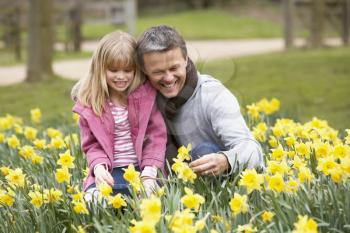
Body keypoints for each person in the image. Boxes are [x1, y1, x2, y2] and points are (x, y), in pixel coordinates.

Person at [136, 25, 264, 177]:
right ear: (144, 70)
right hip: (172, 182)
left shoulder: (213, 95)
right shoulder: (145, 100)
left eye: (174, 68)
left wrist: (225, 161)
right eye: (158, 72)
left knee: (204, 151)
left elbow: (253, 151)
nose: (168, 78)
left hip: (220, 183)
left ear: (185, 59)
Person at [72, 31, 166, 200]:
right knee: (92, 202)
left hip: (142, 170)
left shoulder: (147, 97)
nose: (121, 76)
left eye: (128, 70)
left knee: (151, 203)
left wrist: (149, 173)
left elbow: (156, 138)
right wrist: (99, 169)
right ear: (100, 69)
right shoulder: (92, 103)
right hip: (108, 172)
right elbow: (92, 145)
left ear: (137, 69)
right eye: (113, 70)